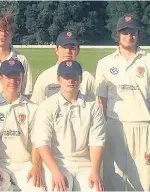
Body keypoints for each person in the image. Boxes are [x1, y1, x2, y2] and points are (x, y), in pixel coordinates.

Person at [96, 14, 150, 191]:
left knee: (143, 183)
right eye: (124, 32)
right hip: (115, 126)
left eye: (133, 32)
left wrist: (144, 117)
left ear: (137, 33)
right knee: (113, 181)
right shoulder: (105, 63)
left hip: (143, 127)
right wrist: (109, 123)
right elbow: (101, 100)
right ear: (117, 34)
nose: (129, 36)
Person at [33, 60, 105, 191]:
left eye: (74, 77)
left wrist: (95, 171)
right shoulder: (47, 106)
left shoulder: (93, 107)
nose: (70, 81)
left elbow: (97, 142)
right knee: (60, 188)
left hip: (84, 162)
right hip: (58, 161)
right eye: (66, 77)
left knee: (95, 188)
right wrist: (55, 172)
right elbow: (42, 143)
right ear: (58, 79)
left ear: (81, 79)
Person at [0, 59, 44, 191]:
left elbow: (37, 142)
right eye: (8, 77)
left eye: (17, 77)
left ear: (22, 78)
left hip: (24, 163)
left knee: (38, 189)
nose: (13, 81)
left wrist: (36, 166)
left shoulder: (33, 108)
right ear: (0, 78)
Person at [30, 31, 95, 104]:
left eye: (72, 47)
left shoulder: (87, 78)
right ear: (56, 50)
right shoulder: (44, 77)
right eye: (64, 47)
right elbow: (36, 106)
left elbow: (94, 106)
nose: (68, 51)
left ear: (78, 50)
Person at [0, 12, 33, 100]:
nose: (3, 34)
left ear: (12, 33)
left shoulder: (21, 60)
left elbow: (26, 92)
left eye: (7, 30)